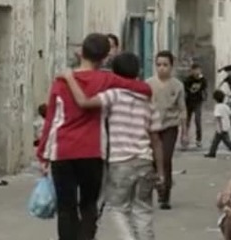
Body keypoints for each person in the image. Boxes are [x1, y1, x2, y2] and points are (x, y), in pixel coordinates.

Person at [37, 33, 152, 240]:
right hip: (92, 151)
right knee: (89, 205)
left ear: (81, 52)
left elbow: (51, 120)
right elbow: (142, 88)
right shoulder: (107, 80)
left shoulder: (61, 83)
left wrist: (42, 154)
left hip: (62, 151)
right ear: (106, 58)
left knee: (66, 207)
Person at [62, 52, 165, 240]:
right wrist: (161, 172)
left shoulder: (113, 95)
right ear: (139, 71)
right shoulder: (148, 101)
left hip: (120, 163)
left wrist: (70, 78)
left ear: (114, 74)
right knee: (143, 211)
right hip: (145, 162)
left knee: (118, 209)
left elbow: (84, 102)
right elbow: (156, 139)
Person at [146, 50, 187, 210]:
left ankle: (165, 195)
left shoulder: (177, 86)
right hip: (152, 127)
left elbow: (182, 109)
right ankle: (157, 186)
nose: (162, 68)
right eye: (159, 65)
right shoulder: (148, 84)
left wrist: (184, 132)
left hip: (170, 126)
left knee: (166, 158)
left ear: (171, 66)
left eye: (165, 65)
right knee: (153, 161)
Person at [204, 90, 231, 158]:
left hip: (220, 128)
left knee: (227, 142)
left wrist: (220, 128)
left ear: (215, 99)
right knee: (215, 141)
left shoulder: (217, 107)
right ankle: (212, 152)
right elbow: (230, 115)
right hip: (226, 126)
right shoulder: (225, 106)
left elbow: (218, 117)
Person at [184, 63, 207, 147]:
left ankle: (198, 139)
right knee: (187, 121)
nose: (197, 72)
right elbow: (185, 91)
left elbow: (204, 89)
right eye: (195, 70)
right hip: (188, 102)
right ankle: (185, 138)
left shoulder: (202, 79)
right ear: (192, 71)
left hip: (198, 102)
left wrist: (205, 97)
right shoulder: (188, 80)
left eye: (198, 70)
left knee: (197, 120)